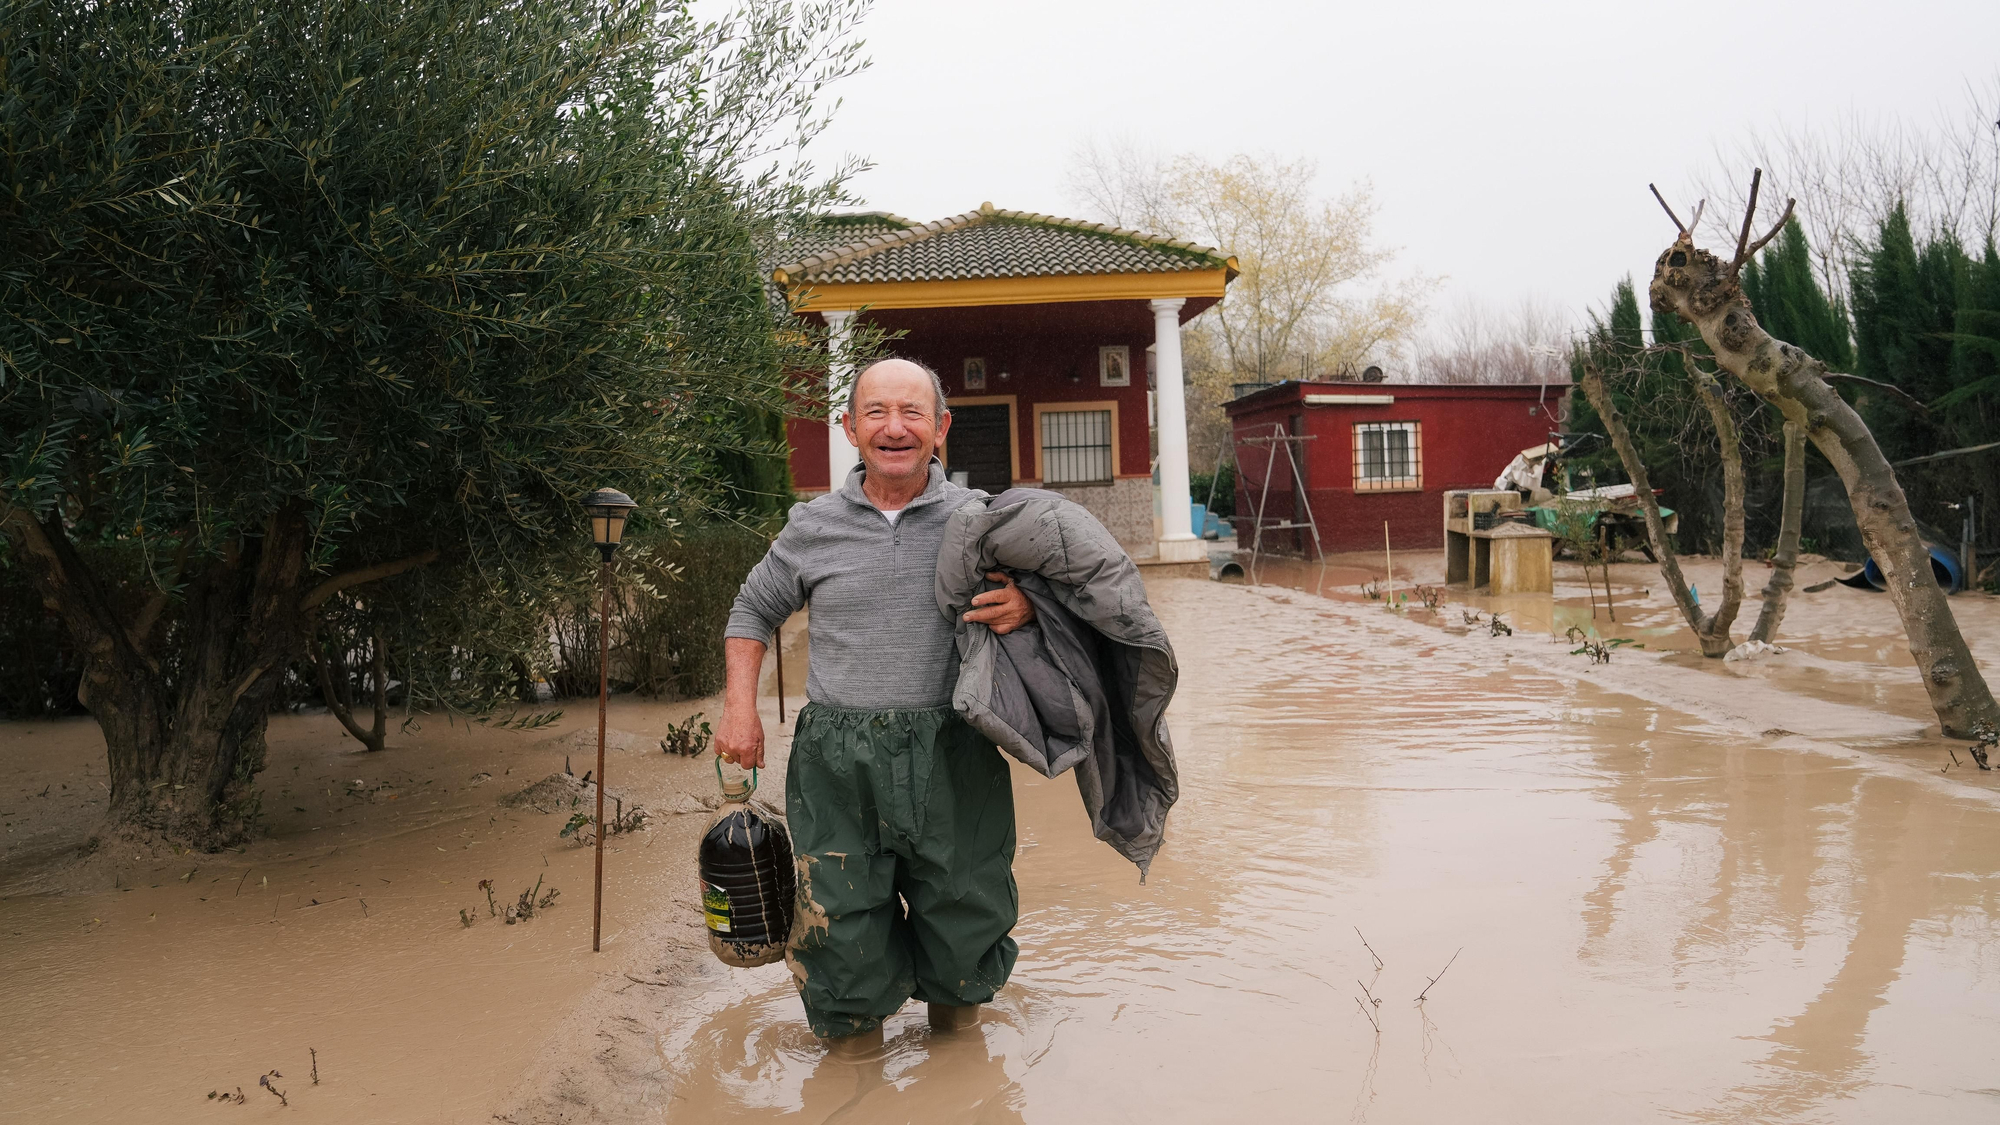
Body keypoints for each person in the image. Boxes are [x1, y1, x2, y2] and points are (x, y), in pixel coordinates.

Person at [717, 358, 1034, 1050]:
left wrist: (1026, 604)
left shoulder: (981, 522)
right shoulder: (812, 525)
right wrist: (739, 709)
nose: (896, 428)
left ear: (941, 427)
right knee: (840, 925)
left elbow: (1064, 605)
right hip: (837, 760)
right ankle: (858, 1072)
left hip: (956, 752)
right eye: (878, 412)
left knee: (965, 915)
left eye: (913, 412)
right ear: (851, 427)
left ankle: (959, 1072)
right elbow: (751, 611)